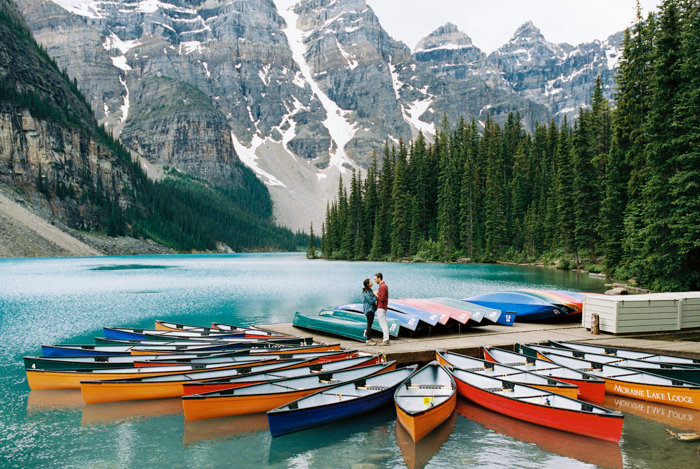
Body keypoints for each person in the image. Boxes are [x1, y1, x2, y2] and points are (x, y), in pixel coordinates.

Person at [374, 272, 390, 346]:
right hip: (381, 307)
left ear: (379, 278)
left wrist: (376, 294)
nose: (375, 281)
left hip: (381, 307)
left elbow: (381, 298)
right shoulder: (382, 286)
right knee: (383, 324)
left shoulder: (382, 286)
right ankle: (385, 339)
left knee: (383, 324)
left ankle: (386, 340)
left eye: (375, 279)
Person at [362, 278, 377, 345]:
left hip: (371, 309)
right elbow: (371, 301)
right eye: (371, 282)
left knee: (370, 324)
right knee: (369, 324)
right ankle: (368, 340)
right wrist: (376, 296)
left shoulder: (370, 291)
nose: (372, 282)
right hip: (369, 309)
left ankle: (370, 339)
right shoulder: (366, 292)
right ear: (368, 284)